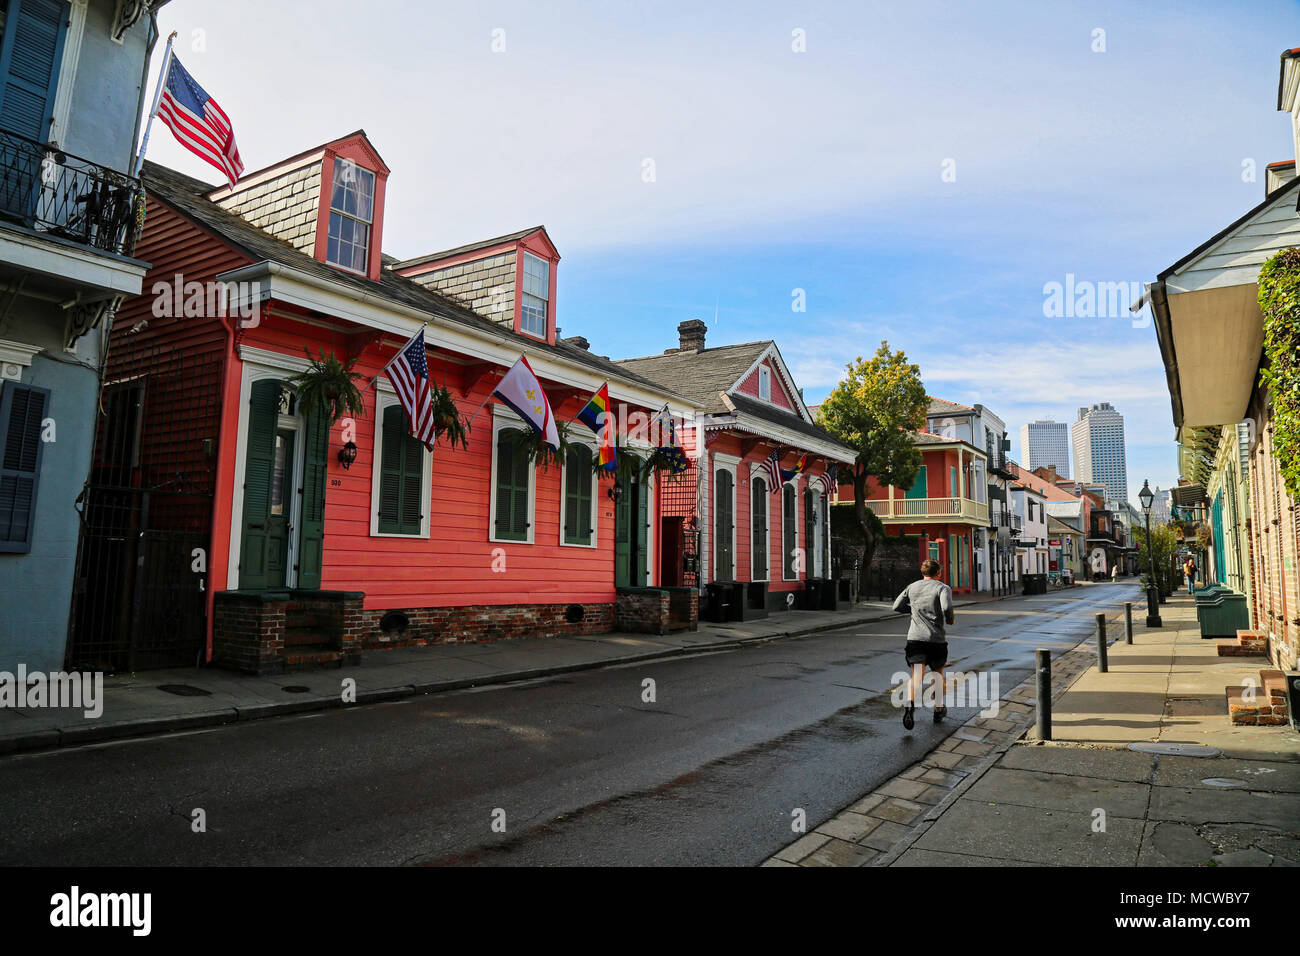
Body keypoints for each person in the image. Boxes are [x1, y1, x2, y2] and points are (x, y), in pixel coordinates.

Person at [892, 559, 955, 729]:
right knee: (938, 675)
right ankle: (938, 709)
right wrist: (949, 619)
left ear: (923, 572)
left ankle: (910, 703)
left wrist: (913, 610)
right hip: (936, 640)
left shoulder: (912, 587)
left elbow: (896, 606)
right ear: (939, 573)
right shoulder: (942, 588)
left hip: (915, 638)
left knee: (916, 675)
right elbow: (946, 607)